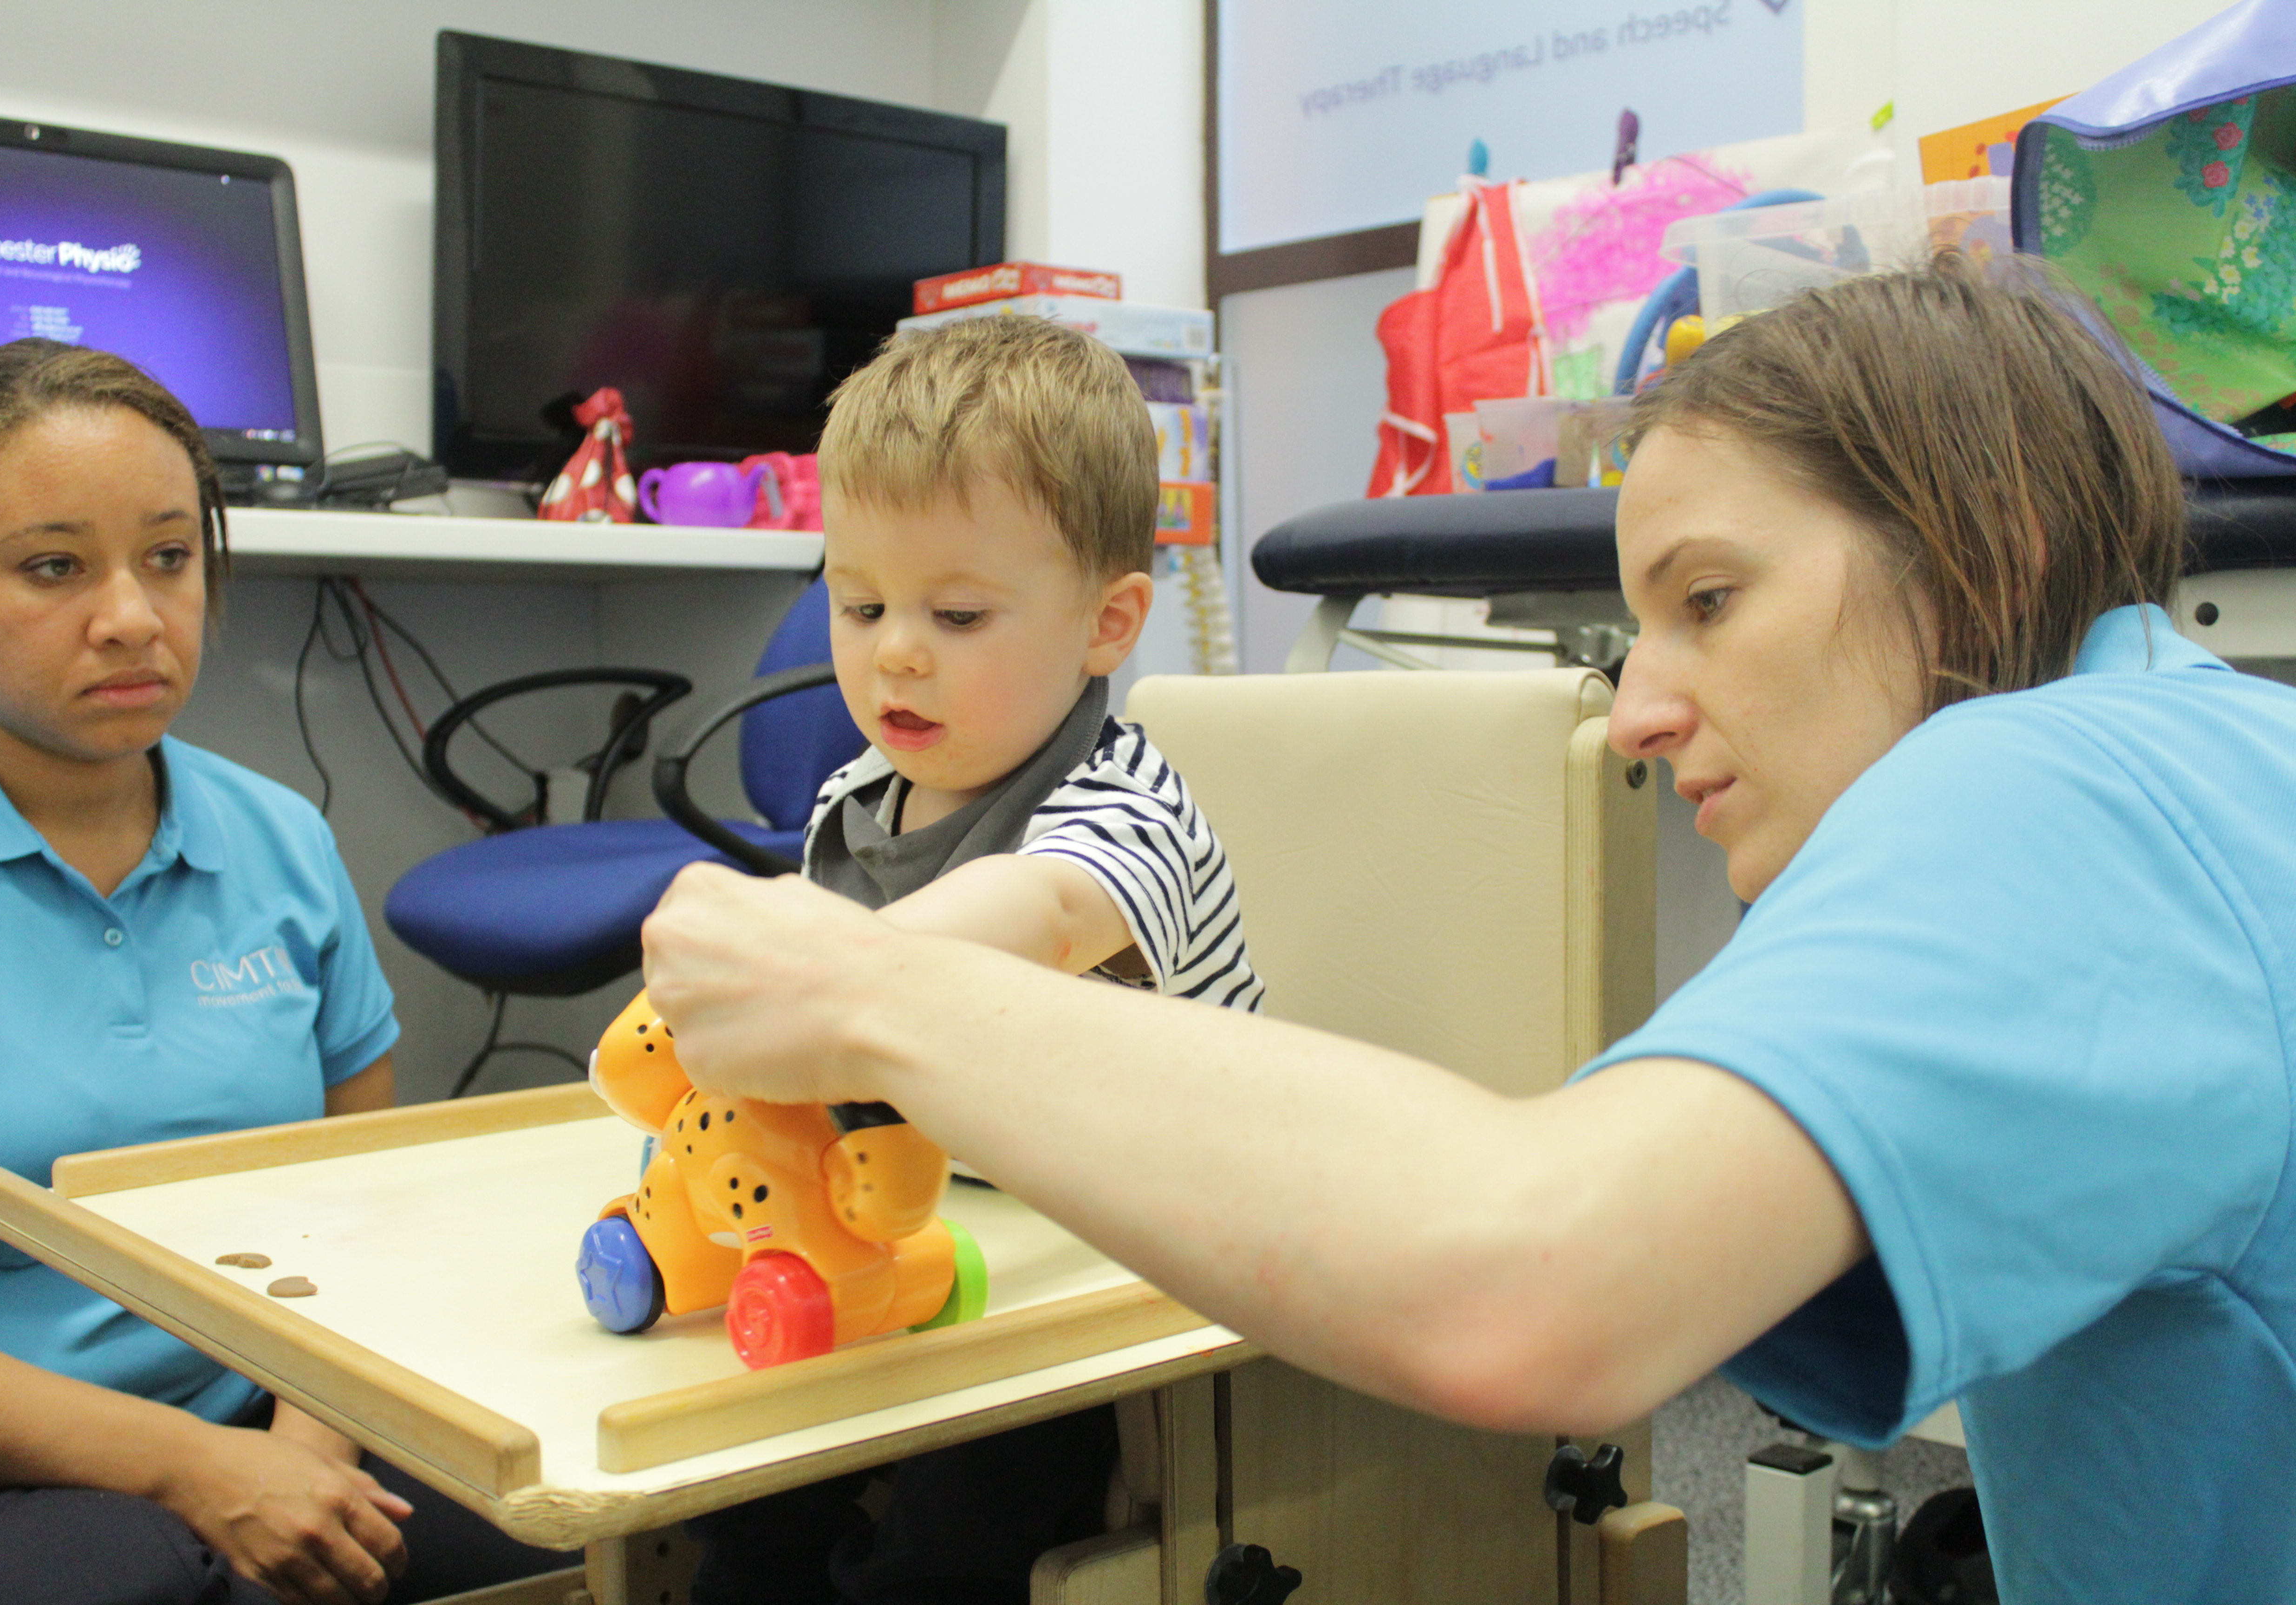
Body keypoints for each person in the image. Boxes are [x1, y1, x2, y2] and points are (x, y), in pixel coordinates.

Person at [631, 260, 2296, 1603]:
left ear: (1981, 550)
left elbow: (1533, 1285)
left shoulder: (2075, 788)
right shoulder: (2196, 761)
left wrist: (866, 988)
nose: (1636, 708)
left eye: (1709, 601)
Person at [0, 340, 560, 1605]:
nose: (132, 616)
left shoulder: (279, 842)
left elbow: (362, 1205)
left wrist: (310, 1444)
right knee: (127, 1581)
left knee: (584, 1515)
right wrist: (190, 1468)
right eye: (53, 567)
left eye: (168, 557)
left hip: (273, 1413)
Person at [679, 317, 1262, 1605]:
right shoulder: (857, 797)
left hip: (1135, 1244)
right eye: (859, 602)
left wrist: (803, 974)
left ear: (1109, 624)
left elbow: (1033, 915)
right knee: (748, 1485)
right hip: (941, 1218)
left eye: (955, 613)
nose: (894, 649)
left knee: (949, 1540)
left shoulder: (1128, 810)